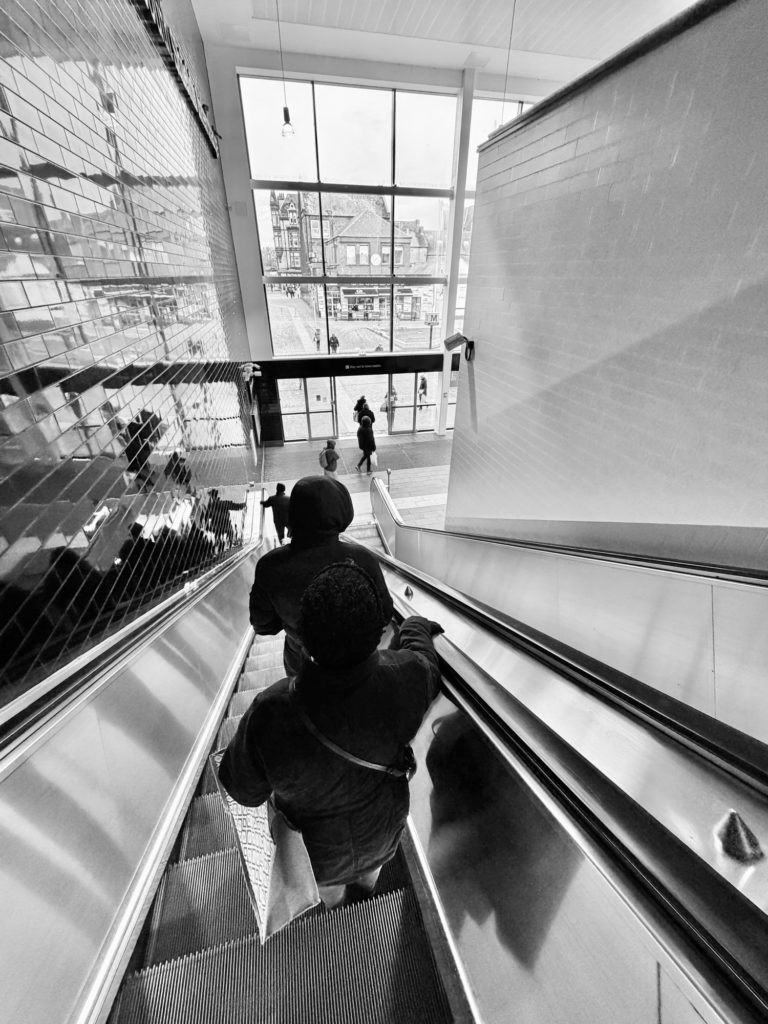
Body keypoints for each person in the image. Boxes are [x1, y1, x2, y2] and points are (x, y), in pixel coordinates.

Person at [220, 560, 443, 908]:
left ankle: (335, 903)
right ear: (378, 634)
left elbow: (243, 791)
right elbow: (423, 658)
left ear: (304, 638)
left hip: (316, 854)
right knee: (373, 866)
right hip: (384, 831)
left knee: (328, 889)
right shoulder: (407, 678)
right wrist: (416, 624)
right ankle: (366, 896)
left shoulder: (270, 712)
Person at [249, 476, 393, 676]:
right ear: (342, 511)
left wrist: (292, 625)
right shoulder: (363, 559)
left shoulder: (269, 566)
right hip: (355, 661)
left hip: (300, 660)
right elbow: (384, 614)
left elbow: (262, 625)